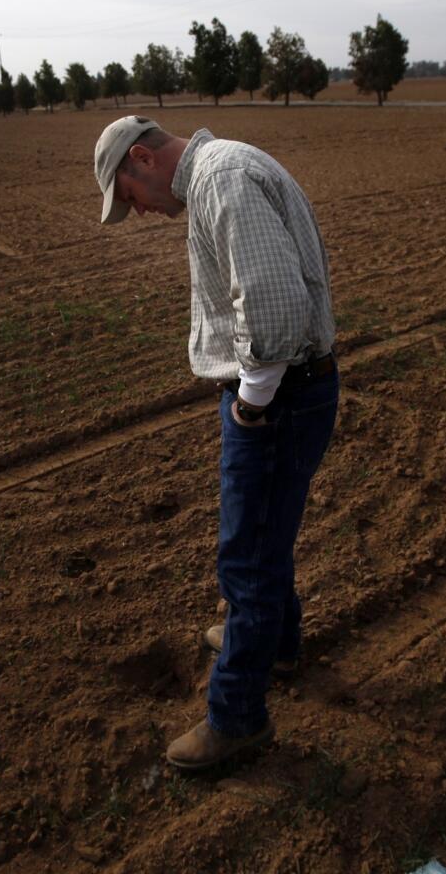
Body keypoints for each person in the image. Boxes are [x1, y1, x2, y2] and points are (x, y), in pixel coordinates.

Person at [93, 115, 339, 770]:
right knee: (267, 534)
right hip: (289, 390)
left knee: (248, 556)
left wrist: (252, 406)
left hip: (277, 396)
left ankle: (237, 719)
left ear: (142, 159)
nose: (139, 213)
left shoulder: (221, 178)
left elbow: (274, 302)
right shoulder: (218, 171)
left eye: (130, 197)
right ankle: (277, 646)